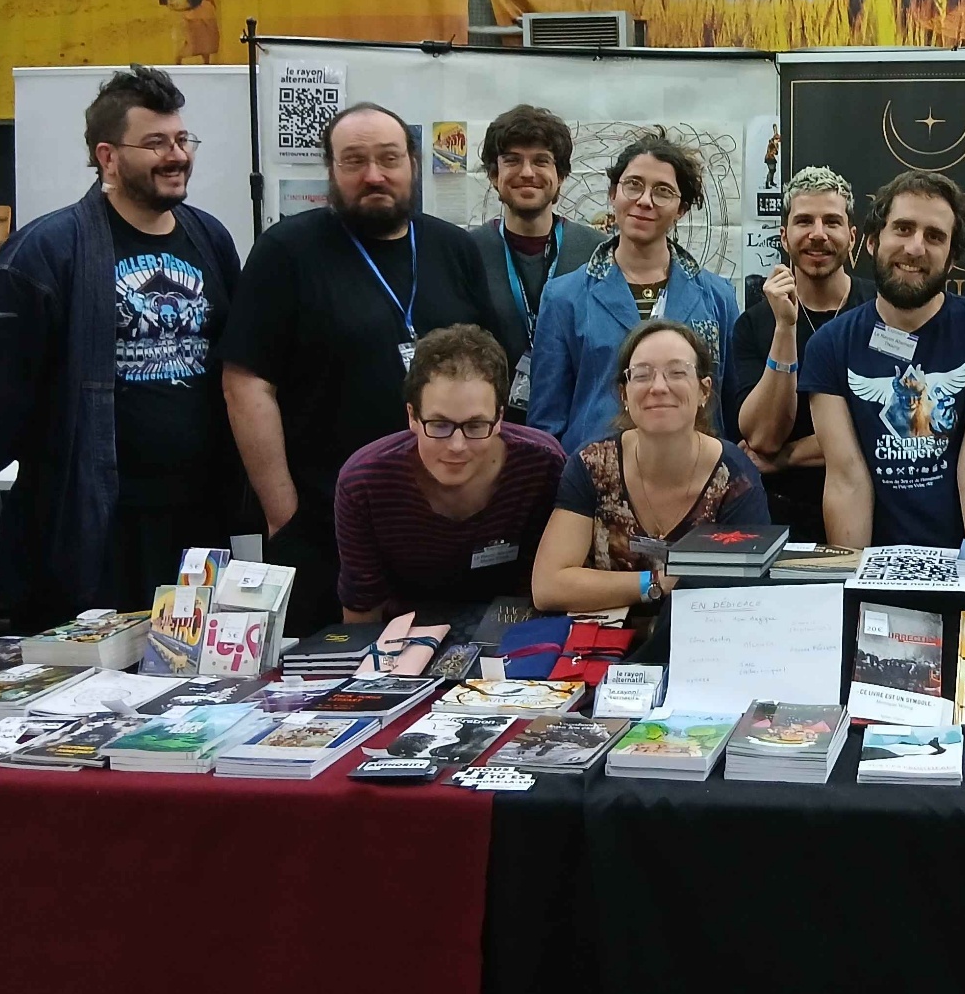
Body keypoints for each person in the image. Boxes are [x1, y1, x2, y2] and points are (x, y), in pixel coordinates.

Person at [0, 66, 241, 624]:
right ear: (108, 156)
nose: (177, 155)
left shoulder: (210, 238)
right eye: (155, 143)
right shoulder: (45, 253)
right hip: (90, 529)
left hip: (196, 523)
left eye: (182, 139)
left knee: (192, 674)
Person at [222, 103, 502, 631]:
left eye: (388, 158)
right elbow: (246, 384)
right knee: (331, 670)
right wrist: (283, 514)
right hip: (324, 525)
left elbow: (489, 370)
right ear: (331, 170)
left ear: (412, 164)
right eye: (354, 161)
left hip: (443, 523)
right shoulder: (286, 251)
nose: (374, 175)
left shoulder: (454, 248)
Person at [801, 171, 965, 548]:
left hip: (962, 561)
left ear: (951, 259)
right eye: (903, 229)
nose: (916, 248)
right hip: (875, 563)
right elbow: (846, 479)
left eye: (935, 236)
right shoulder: (829, 345)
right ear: (872, 241)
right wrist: (852, 575)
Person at [530, 320, 769, 613]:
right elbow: (548, 586)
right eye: (642, 375)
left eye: (677, 372)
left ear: (704, 391)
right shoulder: (592, 465)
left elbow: (749, 592)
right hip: (602, 635)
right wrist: (656, 583)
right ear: (624, 394)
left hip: (705, 633)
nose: (658, 387)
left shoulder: (736, 477)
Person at [333, 325, 565, 623]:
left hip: (516, 630)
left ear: (499, 418)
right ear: (412, 416)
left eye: (475, 426)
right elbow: (362, 615)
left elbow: (553, 589)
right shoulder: (364, 483)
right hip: (403, 637)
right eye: (439, 425)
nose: (457, 446)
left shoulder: (542, 465)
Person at [525, 135, 741, 452]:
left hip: (695, 469)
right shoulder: (564, 297)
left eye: (663, 191)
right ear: (613, 194)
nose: (645, 200)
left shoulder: (717, 297)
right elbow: (546, 425)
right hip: (594, 469)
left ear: (681, 209)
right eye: (633, 185)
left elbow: (732, 410)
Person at [728, 166, 875, 536]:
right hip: (780, 516)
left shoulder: (882, 310)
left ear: (852, 236)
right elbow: (763, 439)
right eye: (804, 221)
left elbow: (886, 430)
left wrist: (789, 457)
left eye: (832, 222)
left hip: (873, 510)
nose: (818, 234)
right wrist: (785, 326)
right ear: (784, 236)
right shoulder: (753, 324)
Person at [466, 105, 601, 423]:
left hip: (579, 427)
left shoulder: (597, 253)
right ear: (493, 175)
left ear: (561, 176)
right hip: (489, 428)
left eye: (541, 160)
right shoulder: (466, 252)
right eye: (512, 160)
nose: (527, 172)